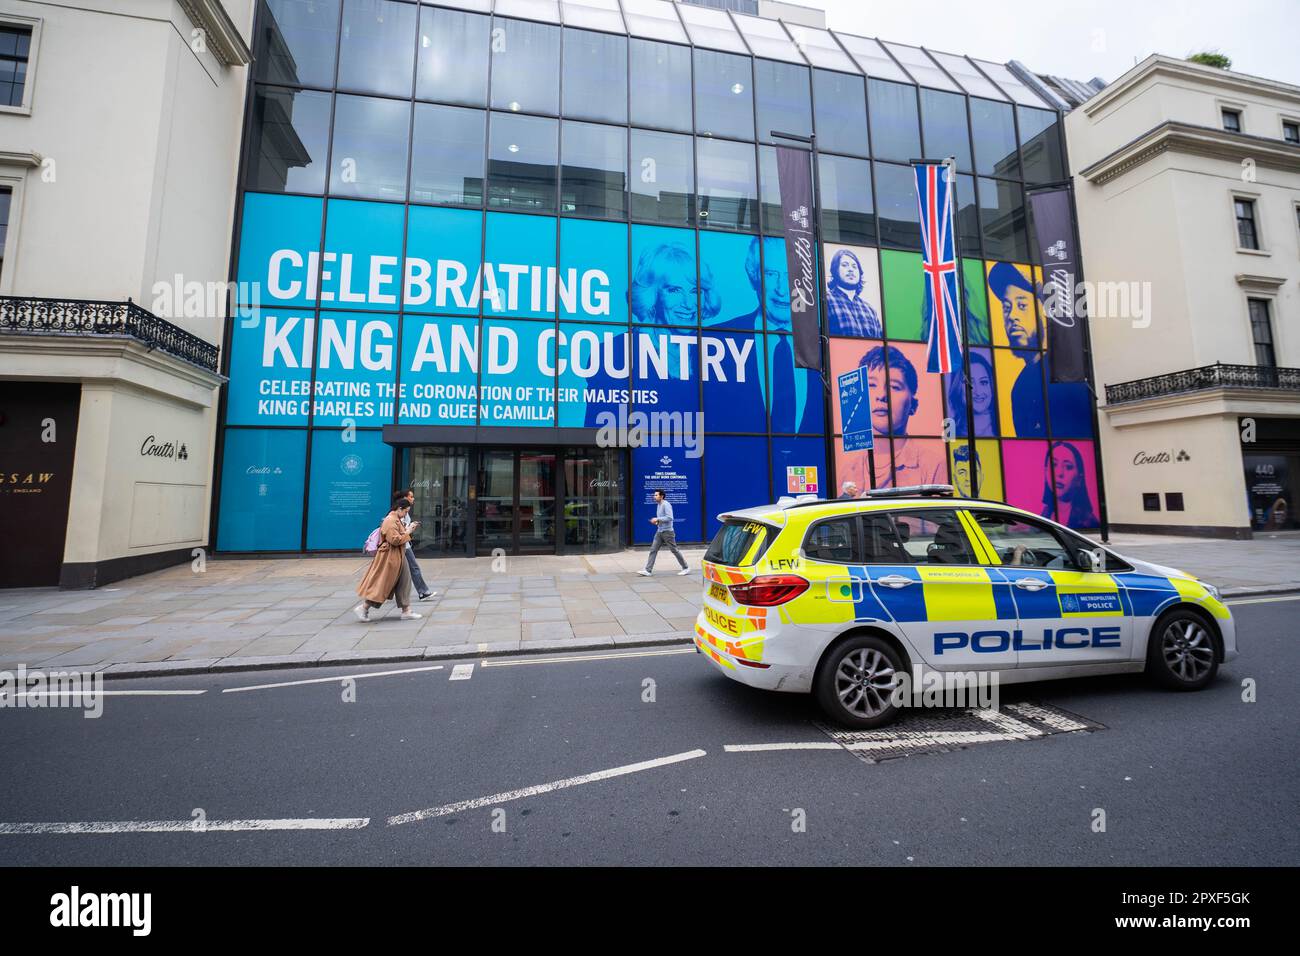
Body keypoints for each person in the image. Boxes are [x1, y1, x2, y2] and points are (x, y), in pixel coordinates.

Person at [857, 345, 946, 489]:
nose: (881, 395)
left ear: (912, 405)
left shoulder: (933, 466)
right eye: (871, 385)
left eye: (894, 386)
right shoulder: (848, 471)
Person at [988, 262, 1047, 438]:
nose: (1012, 316)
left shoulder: (1065, 371)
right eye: (1007, 308)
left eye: (1022, 306)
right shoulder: (1020, 387)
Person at [354, 494, 423, 622]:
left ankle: (406, 610)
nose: (405, 514)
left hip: (398, 556)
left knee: (404, 582)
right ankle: (363, 608)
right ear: (399, 508)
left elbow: (398, 536)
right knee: (383, 584)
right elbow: (395, 540)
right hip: (390, 558)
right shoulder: (390, 520)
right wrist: (408, 532)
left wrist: (408, 529)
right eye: (405, 511)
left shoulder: (395, 519)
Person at [825, 248, 882, 338]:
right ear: (835, 271)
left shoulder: (870, 310)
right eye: (845, 265)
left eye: (854, 266)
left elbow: (880, 348)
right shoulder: (826, 300)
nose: (851, 269)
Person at [1043, 441, 1098, 528]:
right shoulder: (1044, 515)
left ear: (1079, 479)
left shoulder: (1088, 522)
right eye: (1054, 464)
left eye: (1068, 467)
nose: (1059, 473)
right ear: (1045, 471)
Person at [946, 350, 998, 438]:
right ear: (957, 387)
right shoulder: (949, 429)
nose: (978, 392)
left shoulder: (1002, 425)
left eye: (983, 382)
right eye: (969, 383)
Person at [638, 489, 690, 576]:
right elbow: (663, 518)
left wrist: (657, 519)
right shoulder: (659, 505)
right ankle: (648, 570)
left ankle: (686, 567)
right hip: (659, 531)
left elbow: (670, 518)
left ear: (661, 496)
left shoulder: (666, 504)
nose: (654, 496)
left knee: (674, 550)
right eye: (654, 495)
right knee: (653, 550)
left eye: (656, 495)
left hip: (668, 532)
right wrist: (657, 522)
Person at [398, 488, 437, 601]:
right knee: (413, 568)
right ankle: (423, 592)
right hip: (402, 545)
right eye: (411, 496)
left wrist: (410, 526)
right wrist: (410, 528)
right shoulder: (399, 512)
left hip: (404, 544)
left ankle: (380, 593)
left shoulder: (405, 511)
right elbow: (400, 530)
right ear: (405, 498)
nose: (413, 498)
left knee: (398, 571)